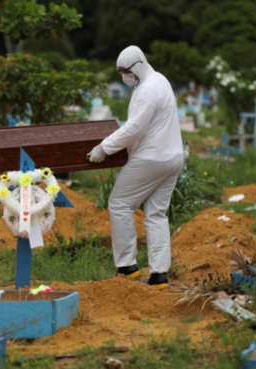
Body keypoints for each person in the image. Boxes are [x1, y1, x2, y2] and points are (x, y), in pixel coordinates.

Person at [87, 46, 184, 290]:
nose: (124, 77)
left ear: (137, 66)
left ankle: (127, 268)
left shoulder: (147, 90)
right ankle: (159, 275)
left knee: (119, 204)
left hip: (151, 159)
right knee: (156, 214)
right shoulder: (159, 79)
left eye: (125, 72)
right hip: (173, 158)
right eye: (120, 72)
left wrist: (104, 148)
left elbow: (136, 129)